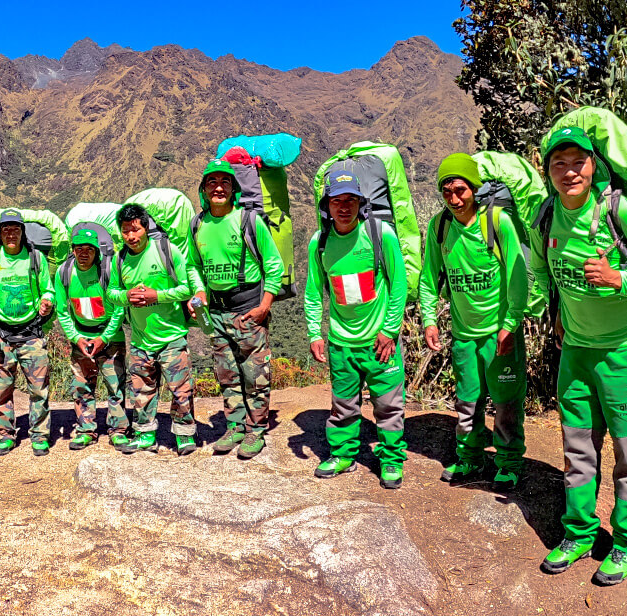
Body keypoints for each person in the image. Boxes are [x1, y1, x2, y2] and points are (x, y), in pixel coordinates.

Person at [532, 127, 627, 586]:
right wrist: (542, 313)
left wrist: (620, 280)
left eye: (578, 161)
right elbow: (540, 269)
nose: (569, 171)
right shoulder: (547, 213)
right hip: (574, 353)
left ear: (593, 166)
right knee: (577, 449)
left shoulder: (619, 211)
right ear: (547, 170)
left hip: (623, 354)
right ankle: (578, 533)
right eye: (559, 163)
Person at [418, 154, 528, 490]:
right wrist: (429, 320)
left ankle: (508, 462)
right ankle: (470, 458)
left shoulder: (495, 222)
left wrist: (510, 324)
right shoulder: (440, 227)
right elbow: (428, 278)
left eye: (460, 189)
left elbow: (518, 275)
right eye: (446, 191)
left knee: (507, 404)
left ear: (474, 188)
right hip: (464, 335)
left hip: (499, 334)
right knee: (467, 402)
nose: (454, 198)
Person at [304, 172, 409, 489]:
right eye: (337, 201)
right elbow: (313, 292)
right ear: (328, 206)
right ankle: (344, 454)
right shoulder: (320, 242)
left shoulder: (380, 234)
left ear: (361, 203)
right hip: (341, 341)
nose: (344, 207)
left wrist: (389, 330)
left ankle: (391, 460)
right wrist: (314, 333)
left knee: (389, 405)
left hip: (380, 342)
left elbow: (399, 283)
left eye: (350, 200)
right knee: (343, 404)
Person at [190, 160, 285, 459]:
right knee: (227, 374)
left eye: (225, 182)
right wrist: (201, 291)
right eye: (211, 183)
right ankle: (234, 426)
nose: (218, 188)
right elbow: (193, 265)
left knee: (254, 373)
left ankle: (256, 431)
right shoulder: (198, 224)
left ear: (234, 189)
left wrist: (264, 306)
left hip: (248, 310)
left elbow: (273, 265)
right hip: (216, 312)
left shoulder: (248, 221)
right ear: (203, 189)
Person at [108, 204, 200, 456]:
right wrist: (126, 296)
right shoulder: (119, 259)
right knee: (141, 390)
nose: (131, 236)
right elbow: (111, 293)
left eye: (135, 229)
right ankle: (145, 434)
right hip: (140, 339)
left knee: (180, 389)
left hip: (171, 336)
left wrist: (155, 296)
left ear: (145, 227)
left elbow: (187, 287)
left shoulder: (166, 251)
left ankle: (183, 435)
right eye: (126, 231)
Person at [0, 210, 55, 457]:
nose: (11, 234)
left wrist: (47, 302)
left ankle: (39, 436)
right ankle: (5, 435)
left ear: (22, 232)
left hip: (31, 334)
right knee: (1, 391)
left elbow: (48, 290)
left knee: (39, 389)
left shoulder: (35, 258)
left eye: (15, 229)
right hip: (2, 337)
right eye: (6, 229)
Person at [53, 226, 129, 450]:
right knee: (82, 386)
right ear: (73, 250)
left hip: (110, 336)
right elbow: (62, 310)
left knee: (115, 385)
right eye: (79, 248)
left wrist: (104, 338)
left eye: (89, 249)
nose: (84, 253)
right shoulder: (64, 272)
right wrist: (75, 337)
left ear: (97, 252)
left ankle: (119, 430)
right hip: (81, 337)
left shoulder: (107, 271)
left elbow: (118, 309)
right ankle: (86, 429)